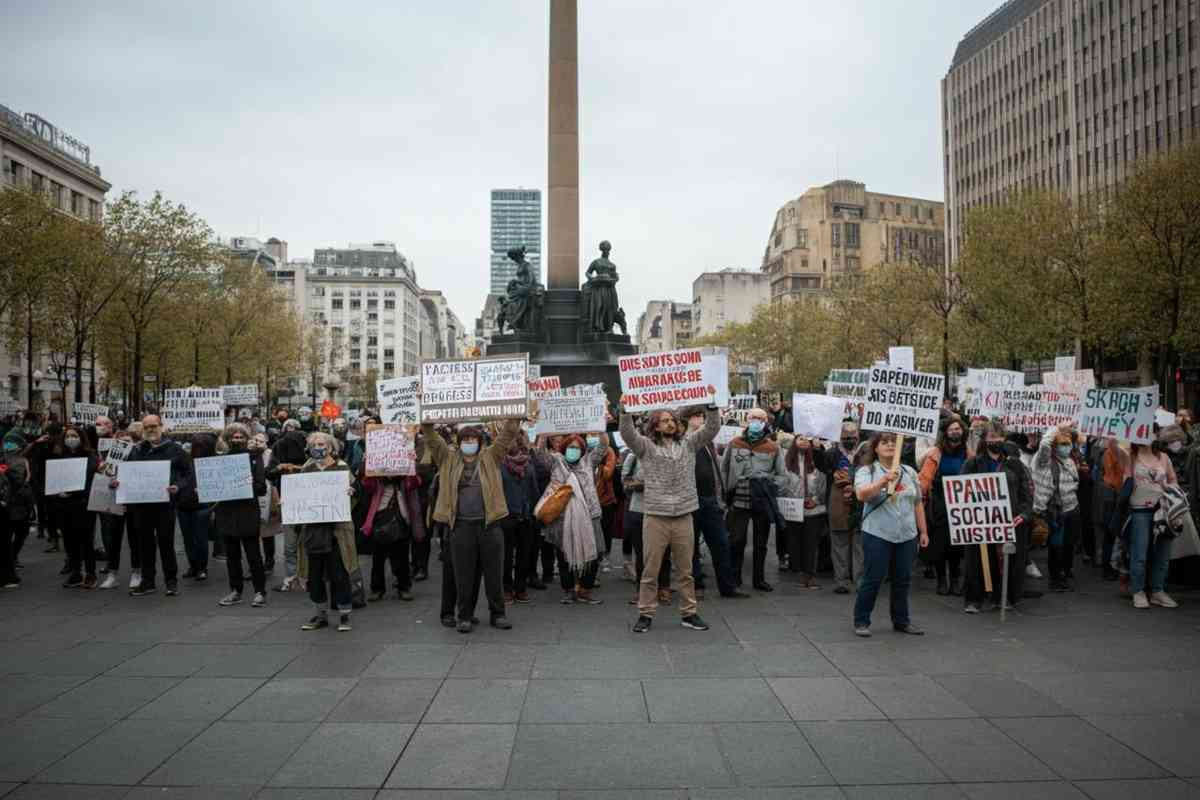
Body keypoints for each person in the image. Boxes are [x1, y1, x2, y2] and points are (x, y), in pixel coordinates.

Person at [619, 389, 720, 634]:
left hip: (684, 514)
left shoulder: (689, 444)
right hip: (656, 516)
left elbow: (711, 429)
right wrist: (624, 412)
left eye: (672, 420)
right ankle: (645, 614)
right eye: (664, 420)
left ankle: (689, 613)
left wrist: (712, 407)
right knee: (650, 570)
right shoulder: (646, 448)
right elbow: (628, 434)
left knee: (686, 571)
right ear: (655, 425)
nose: (670, 423)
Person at [423, 418, 521, 633]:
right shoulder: (448, 459)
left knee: (495, 573)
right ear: (459, 442)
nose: (470, 442)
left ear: (480, 441)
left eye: (473, 439)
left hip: (490, 525)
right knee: (464, 575)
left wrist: (516, 414)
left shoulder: (490, 457)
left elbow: (507, 436)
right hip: (461, 527)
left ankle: (498, 614)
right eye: (465, 439)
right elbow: (431, 439)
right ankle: (465, 616)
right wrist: (425, 417)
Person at [852, 432, 929, 637]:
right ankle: (861, 620)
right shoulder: (867, 470)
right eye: (884, 442)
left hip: (906, 535)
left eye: (893, 442)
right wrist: (883, 481)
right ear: (875, 448)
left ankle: (901, 621)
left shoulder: (910, 472)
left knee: (902, 579)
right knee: (872, 578)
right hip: (878, 533)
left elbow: (918, 502)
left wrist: (923, 531)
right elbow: (861, 495)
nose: (889, 445)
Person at [114, 415, 192, 597]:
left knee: (166, 543)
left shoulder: (175, 450)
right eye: (147, 427)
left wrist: (178, 486)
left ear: (161, 426)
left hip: (165, 505)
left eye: (153, 426)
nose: (150, 429)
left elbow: (188, 473)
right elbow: (125, 473)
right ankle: (148, 582)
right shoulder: (137, 450)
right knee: (145, 545)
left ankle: (171, 582)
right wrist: (118, 483)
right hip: (141, 506)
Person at [960, 421, 1033, 613]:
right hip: (979, 521)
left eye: (1000, 437)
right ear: (984, 440)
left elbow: (1026, 494)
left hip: (1008, 520)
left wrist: (1024, 515)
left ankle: (1002, 597)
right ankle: (974, 599)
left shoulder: (1015, 465)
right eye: (992, 437)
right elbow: (961, 493)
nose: (997, 441)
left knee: (1006, 560)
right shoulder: (972, 464)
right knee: (976, 560)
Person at [680, 406, 746, 600]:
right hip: (690, 501)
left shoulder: (708, 442)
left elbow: (716, 469)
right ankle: (697, 586)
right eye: (696, 416)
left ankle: (727, 586)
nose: (701, 419)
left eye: (702, 416)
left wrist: (720, 496)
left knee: (721, 544)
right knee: (690, 548)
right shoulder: (684, 441)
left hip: (710, 500)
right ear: (687, 420)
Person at [296, 432, 359, 631]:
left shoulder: (342, 468)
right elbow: (300, 494)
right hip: (314, 531)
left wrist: (352, 492)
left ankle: (344, 615)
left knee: (339, 574)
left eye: (321, 444)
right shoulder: (307, 468)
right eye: (314, 444)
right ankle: (320, 613)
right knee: (314, 575)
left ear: (330, 447)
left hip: (337, 532)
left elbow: (355, 496)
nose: (318, 447)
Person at [721, 406, 788, 592]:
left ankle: (759, 580)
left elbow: (782, 475)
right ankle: (735, 577)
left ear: (765, 422)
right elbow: (724, 469)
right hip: (738, 497)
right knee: (736, 540)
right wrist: (724, 493)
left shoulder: (773, 447)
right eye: (753, 418)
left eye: (760, 418)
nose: (756, 421)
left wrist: (769, 486)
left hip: (761, 499)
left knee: (761, 543)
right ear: (747, 421)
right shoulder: (734, 443)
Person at [538, 433, 607, 605]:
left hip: (590, 515)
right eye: (570, 447)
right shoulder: (556, 462)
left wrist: (600, 427)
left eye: (577, 448)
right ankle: (568, 590)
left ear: (582, 451)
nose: (573, 450)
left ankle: (585, 590)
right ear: (563, 449)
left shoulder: (588, 462)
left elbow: (603, 446)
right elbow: (539, 454)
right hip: (563, 516)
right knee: (564, 554)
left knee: (594, 553)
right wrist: (543, 434)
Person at [1120, 435, 1179, 609]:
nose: (1146, 436)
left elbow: (1173, 479)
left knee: (1163, 553)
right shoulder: (1130, 456)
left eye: (1150, 432)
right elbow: (1113, 446)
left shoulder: (1164, 457)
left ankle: (1157, 591)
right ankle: (1138, 591)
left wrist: (1170, 487)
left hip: (1163, 511)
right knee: (1139, 553)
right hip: (1140, 511)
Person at [215, 423, 270, 608]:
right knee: (232, 556)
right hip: (227, 512)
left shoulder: (255, 458)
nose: (237, 440)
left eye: (241, 437)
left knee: (253, 555)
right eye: (234, 437)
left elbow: (262, 488)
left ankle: (260, 591)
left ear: (247, 439)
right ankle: (236, 590)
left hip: (247, 512)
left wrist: (248, 485)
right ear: (228, 439)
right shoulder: (220, 460)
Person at [918, 417, 970, 596]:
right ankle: (942, 580)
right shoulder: (936, 453)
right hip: (939, 504)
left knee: (956, 545)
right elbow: (924, 478)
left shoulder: (968, 453)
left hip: (961, 504)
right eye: (951, 429)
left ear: (963, 432)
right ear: (945, 433)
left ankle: (955, 580)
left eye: (958, 429)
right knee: (940, 544)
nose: (955, 432)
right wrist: (916, 494)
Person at [47, 425, 100, 589]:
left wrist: (76, 492)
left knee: (86, 540)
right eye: (68, 436)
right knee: (70, 540)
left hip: (83, 504)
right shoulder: (59, 457)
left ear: (81, 438)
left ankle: (90, 573)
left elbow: (91, 478)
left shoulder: (89, 456)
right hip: (64, 505)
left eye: (74, 435)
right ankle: (76, 572)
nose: (71, 439)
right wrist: (57, 493)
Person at [1032, 423, 1081, 593]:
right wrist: (1056, 428)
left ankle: (1066, 571)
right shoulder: (1044, 460)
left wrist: (1070, 429)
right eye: (1062, 444)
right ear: (1055, 445)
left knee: (1069, 543)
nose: (1066, 447)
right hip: (1054, 511)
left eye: (1068, 444)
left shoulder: (1071, 461)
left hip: (1071, 507)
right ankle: (1055, 578)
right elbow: (1044, 444)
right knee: (1056, 544)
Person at [360, 470, 421, 603]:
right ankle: (377, 589)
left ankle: (404, 588)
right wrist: (369, 466)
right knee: (378, 559)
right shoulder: (376, 480)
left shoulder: (405, 480)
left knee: (402, 557)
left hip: (400, 520)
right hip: (380, 521)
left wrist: (410, 467)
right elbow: (367, 484)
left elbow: (416, 483)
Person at [820, 422, 863, 594]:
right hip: (837, 501)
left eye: (853, 437)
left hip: (860, 500)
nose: (850, 440)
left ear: (858, 437)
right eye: (846, 437)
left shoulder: (865, 454)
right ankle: (841, 580)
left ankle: (860, 580)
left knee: (860, 543)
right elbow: (822, 468)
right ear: (839, 437)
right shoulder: (831, 454)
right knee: (839, 541)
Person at [269, 418, 309, 592]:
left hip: (305, 503)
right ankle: (294, 577)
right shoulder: (279, 449)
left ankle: (302, 577)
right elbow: (269, 472)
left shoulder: (311, 451)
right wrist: (279, 468)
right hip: (290, 503)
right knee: (292, 544)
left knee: (297, 544)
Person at [499, 431, 539, 604]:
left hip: (525, 517)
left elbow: (534, 490)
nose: (517, 447)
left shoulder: (529, 466)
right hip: (506, 517)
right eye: (514, 443)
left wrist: (534, 511)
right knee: (506, 557)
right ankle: (507, 589)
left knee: (524, 555)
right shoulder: (499, 466)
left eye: (520, 443)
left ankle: (520, 588)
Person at [783, 435, 826, 590]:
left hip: (814, 509)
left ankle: (811, 575)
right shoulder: (786, 462)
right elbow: (781, 483)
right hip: (793, 509)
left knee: (811, 543)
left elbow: (824, 482)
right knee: (795, 542)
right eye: (799, 438)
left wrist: (816, 499)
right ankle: (800, 573)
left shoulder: (818, 461)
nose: (803, 441)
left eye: (806, 439)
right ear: (794, 441)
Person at [177, 434, 216, 582]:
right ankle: (193, 566)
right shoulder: (185, 461)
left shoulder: (212, 463)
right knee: (188, 539)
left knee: (200, 539)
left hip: (202, 506)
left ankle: (201, 568)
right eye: (196, 445)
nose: (199, 448)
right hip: (184, 504)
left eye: (202, 446)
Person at [0, 431, 34, 588]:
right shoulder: (14, 461)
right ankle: (9, 573)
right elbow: (20, 482)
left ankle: (9, 570)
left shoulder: (17, 461)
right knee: (12, 537)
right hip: (13, 506)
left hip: (13, 505)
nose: (8, 446)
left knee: (13, 536)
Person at [592, 433, 619, 571]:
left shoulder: (609, 451)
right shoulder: (582, 450)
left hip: (605, 499)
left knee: (605, 530)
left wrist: (600, 466)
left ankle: (604, 558)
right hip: (589, 500)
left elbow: (608, 473)